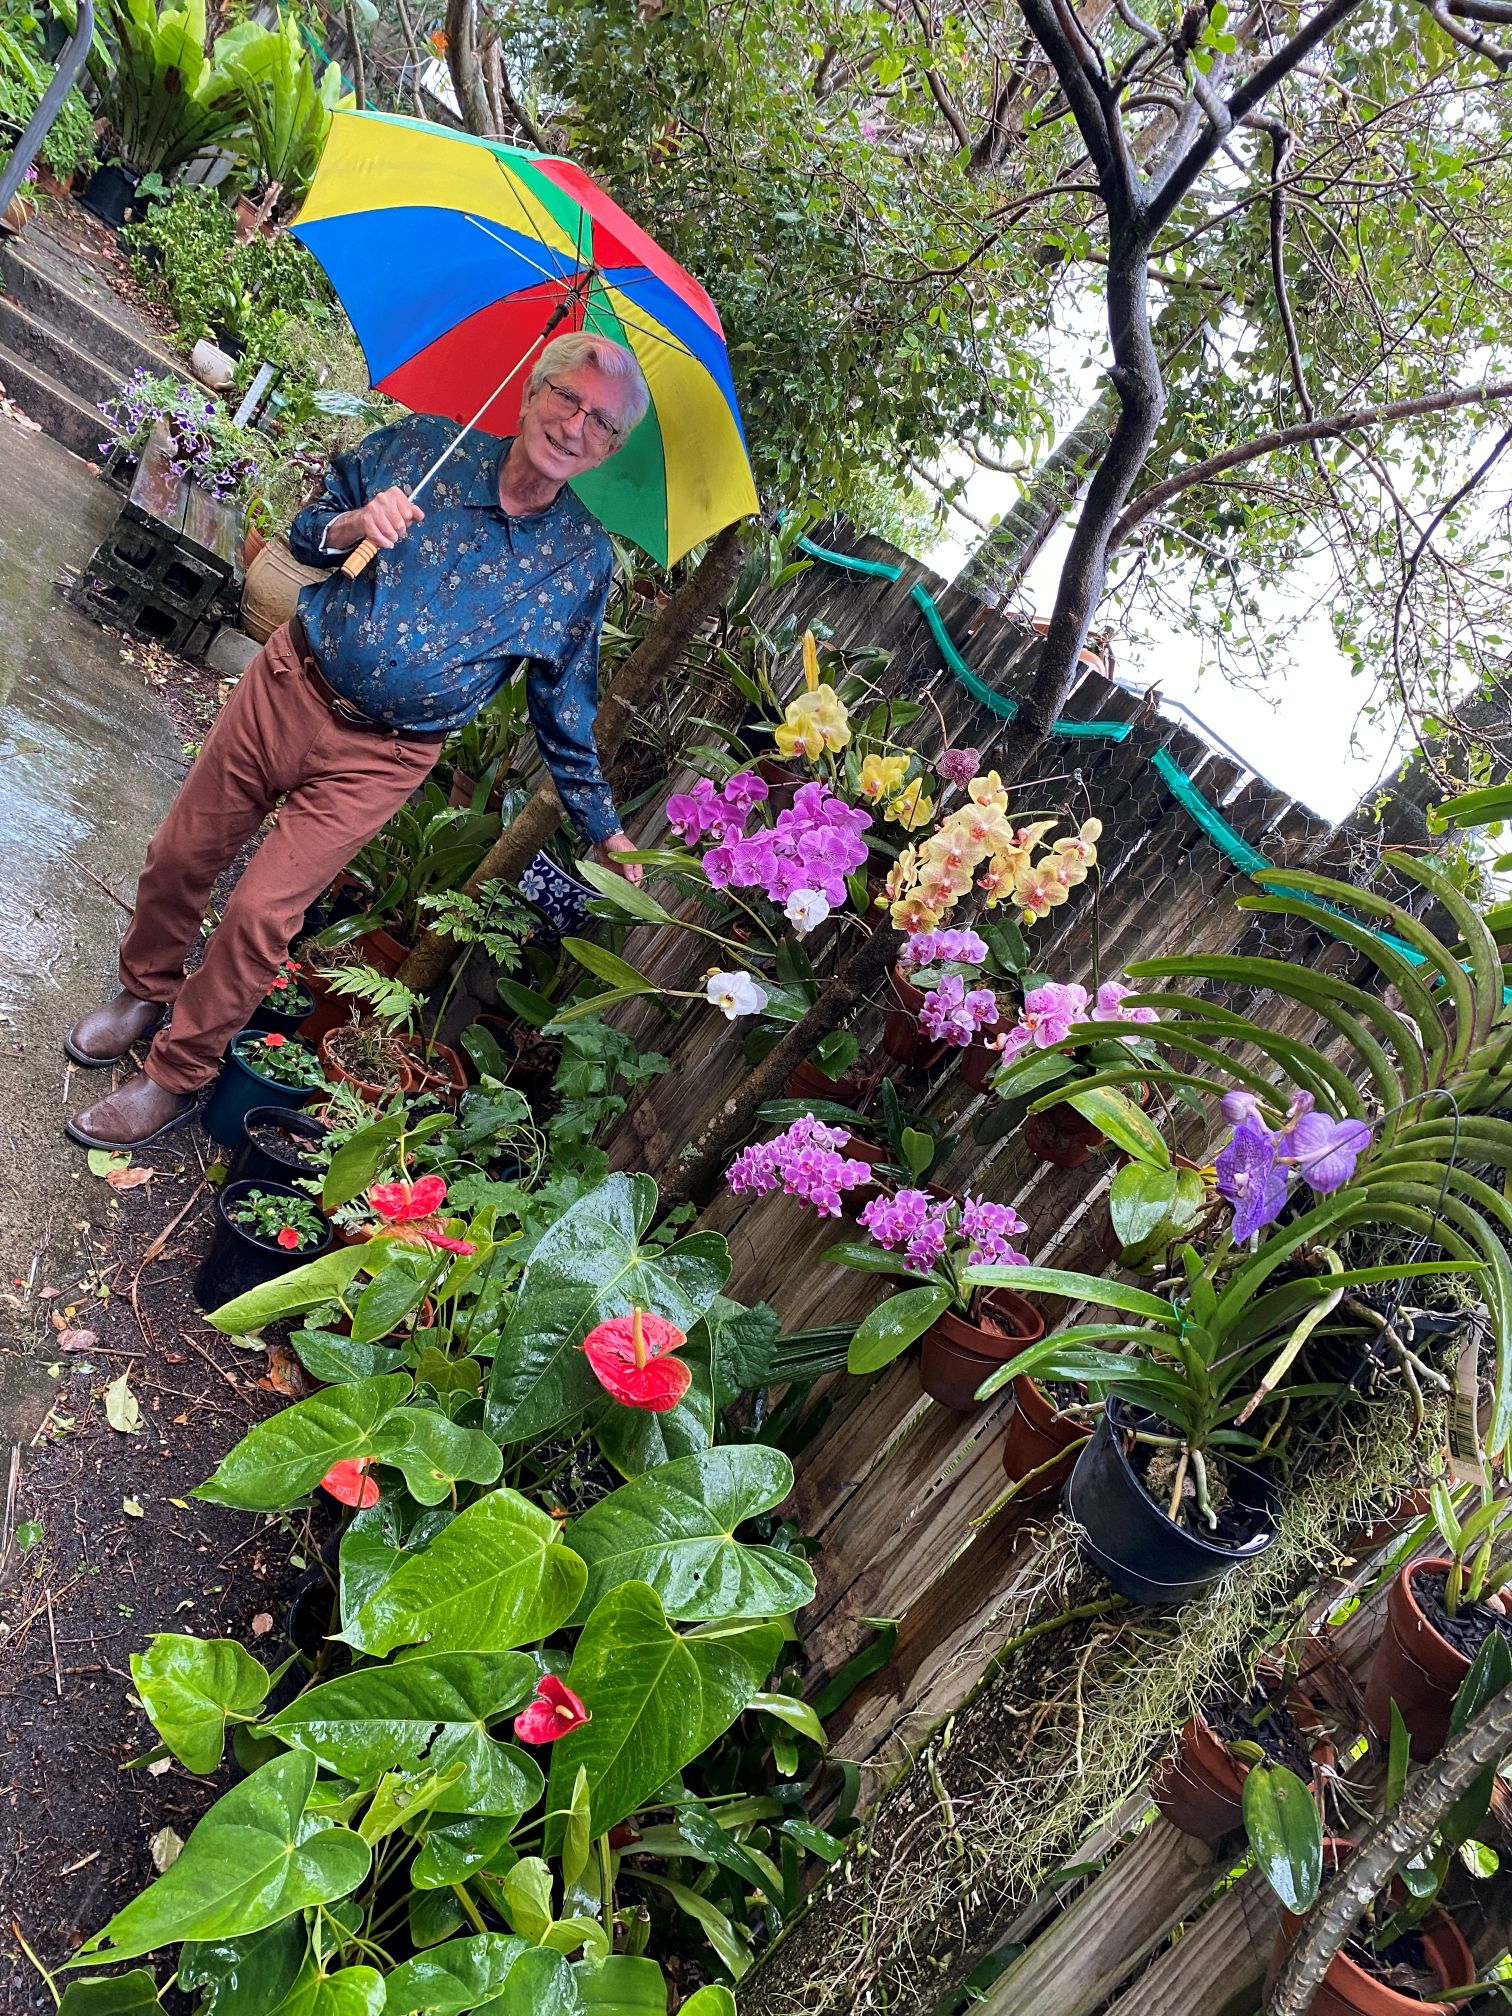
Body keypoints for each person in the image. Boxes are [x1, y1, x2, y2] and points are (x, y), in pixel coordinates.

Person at [64, 330, 649, 1150]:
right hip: (288, 684)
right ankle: (142, 989)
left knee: (261, 915)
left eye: (601, 422)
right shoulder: (424, 450)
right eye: (567, 398)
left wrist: (607, 831)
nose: (575, 425)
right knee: (180, 853)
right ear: (531, 391)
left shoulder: (579, 562)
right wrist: (352, 524)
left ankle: (174, 1074)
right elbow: (303, 532)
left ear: (607, 450)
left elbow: (565, 708)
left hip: (383, 756)